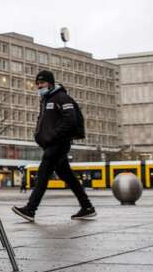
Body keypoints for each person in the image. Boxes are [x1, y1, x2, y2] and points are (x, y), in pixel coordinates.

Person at [12, 70, 96, 222]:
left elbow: (70, 121)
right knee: (68, 176)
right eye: (37, 84)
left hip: (58, 143)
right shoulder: (45, 100)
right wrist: (40, 137)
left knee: (42, 175)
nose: (39, 86)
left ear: (50, 83)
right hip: (51, 144)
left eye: (42, 83)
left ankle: (30, 209)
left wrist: (52, 136)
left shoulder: (62, 98)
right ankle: (87, 207)